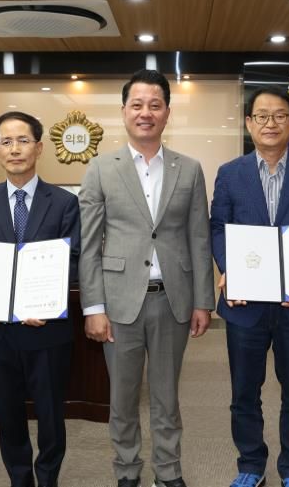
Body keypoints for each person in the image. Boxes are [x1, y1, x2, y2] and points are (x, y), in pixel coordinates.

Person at [78, 69, 215, 487]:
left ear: (167, 113)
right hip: (119, 301)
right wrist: (93, 306)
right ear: (124, 112)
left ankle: (168, 472)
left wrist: (203, 301)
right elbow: (89, 244)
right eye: (137, 105)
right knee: (122, 398)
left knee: (166, 397)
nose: (146, 113)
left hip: (172, 299)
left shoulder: (189, 169)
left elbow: (198, 237)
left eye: (155, 105)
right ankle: (127, 471)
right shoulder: (101, 168)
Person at [210, 86, 289, 487]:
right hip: (246, 305)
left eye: (280, 115)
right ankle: (251, 464)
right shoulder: (230, 172)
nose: (270, 123)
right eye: (261, 116)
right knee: (245, 392)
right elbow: (218, 227)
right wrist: (229, 269)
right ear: (249, 123)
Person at [0, 111, 81, 487]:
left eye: (23, 140)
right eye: (6, 142)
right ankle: (19, 480)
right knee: (7, 414)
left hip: (45, 329)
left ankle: (48, 479)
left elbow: (73, 259)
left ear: (39, 147)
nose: (15, 149)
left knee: (50, 414)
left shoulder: (64, 202)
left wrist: (43, 302)